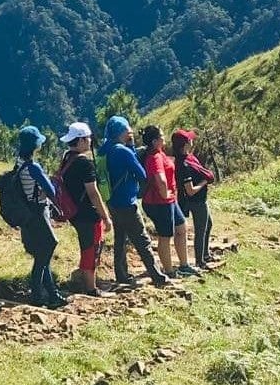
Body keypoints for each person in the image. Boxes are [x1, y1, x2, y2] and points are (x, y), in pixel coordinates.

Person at [102, 116, 168, 288]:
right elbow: (142, 174)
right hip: (127, 201)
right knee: (142, 240)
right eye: (127, 131)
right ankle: (158, 276)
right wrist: (131, 145)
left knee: (120, 239)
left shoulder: (104, 149)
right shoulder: (123, 151)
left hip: (111, 201)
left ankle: (121, 274)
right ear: (122, 131)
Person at [14, 126, 68, 307]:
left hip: (28, 213)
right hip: (38, 211)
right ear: (35, 145)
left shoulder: (19, 163)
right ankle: (38, 294)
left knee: (41, 253)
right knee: (47, 249)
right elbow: (51, 191)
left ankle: (52, 294)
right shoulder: (34, 167)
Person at [56, 121, 112, 296]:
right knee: (91, 248)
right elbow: (93, 193)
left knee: (87, 246)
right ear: (80, 141)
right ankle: (91, 288)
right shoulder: (85, 163)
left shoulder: (67, 158)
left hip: (74, 213)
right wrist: (106, 217)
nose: (90, 141)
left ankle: (84, 279)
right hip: (88, 214)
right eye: (88, 138)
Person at [138, 124, 193, 277]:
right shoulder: (155, 157)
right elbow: (160, 180)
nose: (164, 138)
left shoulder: (158, 153)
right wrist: (165, 193)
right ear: (155, 141)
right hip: (160, 203)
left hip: (169, 201)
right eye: (161, 136)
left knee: (181, 227)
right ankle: (169, 271)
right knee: (165, 235)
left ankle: (184, 265)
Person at [173, 129, 219, 271]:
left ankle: (205, 254)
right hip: (196, 201)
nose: (192, 141)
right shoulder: (183, 165)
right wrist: (205, 181)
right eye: (189, 139)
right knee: (201, 230)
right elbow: (190, 190)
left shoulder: (189, 157)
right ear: (185, 144)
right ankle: (200, 261)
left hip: (201, 199)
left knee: (208, 225)